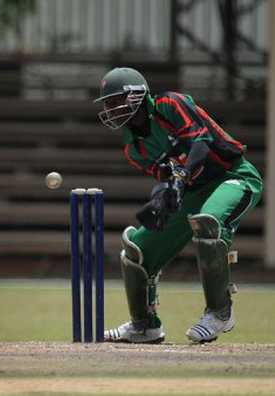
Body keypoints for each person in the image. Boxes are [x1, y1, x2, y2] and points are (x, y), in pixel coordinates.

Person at [94, 67, 263, 343]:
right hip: (194, 191)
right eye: (107, 105)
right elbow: (165, 175)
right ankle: (144, 325)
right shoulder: (134, 148)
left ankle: (219, 312)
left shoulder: (169, 104)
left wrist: (181, 178)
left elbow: (201, 142)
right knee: (136, 249)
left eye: (115, 102)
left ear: (136, 96)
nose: (111, 110)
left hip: (232, 176)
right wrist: (162, 197)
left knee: (208, 222)